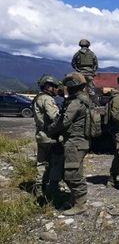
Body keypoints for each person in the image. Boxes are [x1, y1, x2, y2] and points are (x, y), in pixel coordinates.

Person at [48, 72, 90, 215]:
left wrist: (50, 129)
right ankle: (74, 199)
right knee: (75, 171)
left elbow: (64, 121)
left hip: (75, 141)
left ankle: (80, 204)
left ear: (71, 86)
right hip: (79, 141)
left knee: (72, 174)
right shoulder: (84, 99)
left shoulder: (76, 103)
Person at [33, 74, 63, 200]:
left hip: (41, 135)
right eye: (55, 87)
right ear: (48, 86)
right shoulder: (47, 99)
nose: (57, 89)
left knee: (41, 163)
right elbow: (54, 117)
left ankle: (39, 188)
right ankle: (53, 189)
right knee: (55, 163)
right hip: (50, 137)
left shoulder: (37, 98)